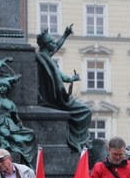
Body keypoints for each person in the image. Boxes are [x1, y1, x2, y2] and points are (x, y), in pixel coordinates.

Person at [35, 25, 92, 153]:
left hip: (60, 97)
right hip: (56, 99)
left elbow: (61, 75)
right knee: (86, 111)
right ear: (45, 45)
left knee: (85, 111)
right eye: (51, 41)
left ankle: (77, 139)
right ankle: (77, 140)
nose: (54, 43)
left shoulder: (46, 58)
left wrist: (65, 35)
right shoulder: (41, 59)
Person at [0, 77, 37, 168]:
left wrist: (18, 122)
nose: (2, 88)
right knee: (15, 138)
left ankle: (26, 157)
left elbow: (16, 118)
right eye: (0, 86)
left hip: (11, 125)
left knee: (31, 134)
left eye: (5, 86)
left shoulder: (11, 103)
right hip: (0, 124)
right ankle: (22, 155)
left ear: (8, 88)